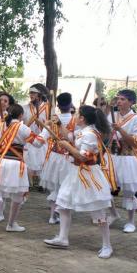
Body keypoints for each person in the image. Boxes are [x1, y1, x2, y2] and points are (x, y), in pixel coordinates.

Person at [44, 105, 116, 259]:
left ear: (82, 118)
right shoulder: (83, 131)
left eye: (77, 114)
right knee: (63, 204)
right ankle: (62, 238)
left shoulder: (90, 134)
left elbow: (83, 156)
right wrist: (59, 125)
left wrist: (67, 147)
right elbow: (69, 136)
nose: (74, 116)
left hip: (88, 175)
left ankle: (107, 245)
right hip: (75, 173)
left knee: (97, 211)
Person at [0, 104, 44, 237]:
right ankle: (11, 225)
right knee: (18, 196)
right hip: (16, 164)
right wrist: (46, 132)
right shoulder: (23, 128)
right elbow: (38, 143)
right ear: (21, 115)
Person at [108, 89, 137, 233]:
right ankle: (113, 214)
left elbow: (135, 143)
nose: (119, 102)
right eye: (118, 99)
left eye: (123, 99)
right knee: (105, 188)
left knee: (129, 191)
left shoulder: (136, 119)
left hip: (127, 158)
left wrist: (120, 130)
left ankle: (131, 222)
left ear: (131, 102)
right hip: (113, 156)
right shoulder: (112, 115)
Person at [39, 92, 76, 224]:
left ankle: (52, 216)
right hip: (70, 158)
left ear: (58, 106)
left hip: (54, 157)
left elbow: (41, 139)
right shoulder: (76, 121)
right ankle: (60, 214)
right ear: (71, 104)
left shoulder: (52, 121)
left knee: (55, 187)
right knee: (65, 187)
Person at [23, 83, 49, 179]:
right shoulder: (24, 108)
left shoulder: (49, 108)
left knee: (42, 167)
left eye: (33, 92)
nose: (31, 95)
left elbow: (51, 127)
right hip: (28, 141)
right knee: (28, 167)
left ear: (40, 94)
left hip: (42, 142)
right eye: (30, 93)